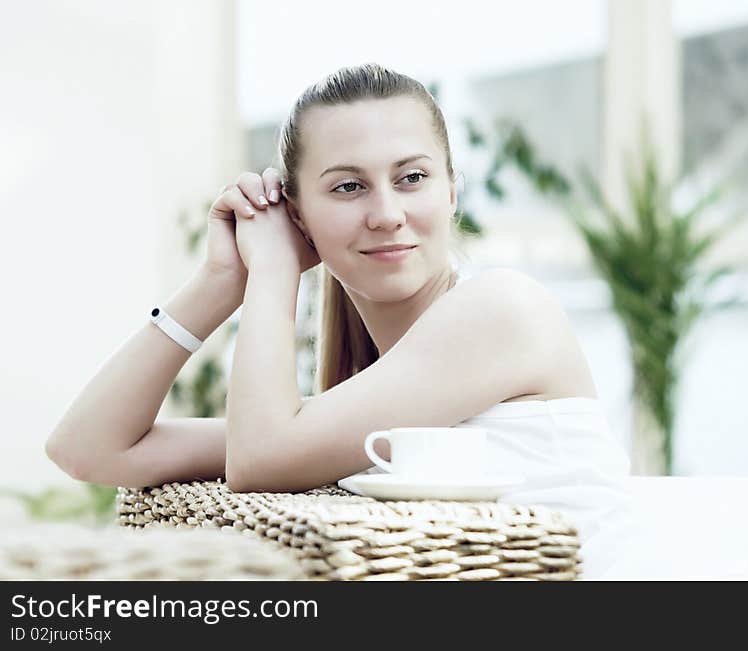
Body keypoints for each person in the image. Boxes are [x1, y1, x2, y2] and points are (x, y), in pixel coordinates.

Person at [45, 63, 641, 579]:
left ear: (451, 192)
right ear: (298, 218)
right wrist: (218, 282)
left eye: (412, 178)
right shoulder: (349, 414)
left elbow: (260, 464)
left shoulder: (504, 310)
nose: (386, 213)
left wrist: (273, 273)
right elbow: (89, 448)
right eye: (350, 186)